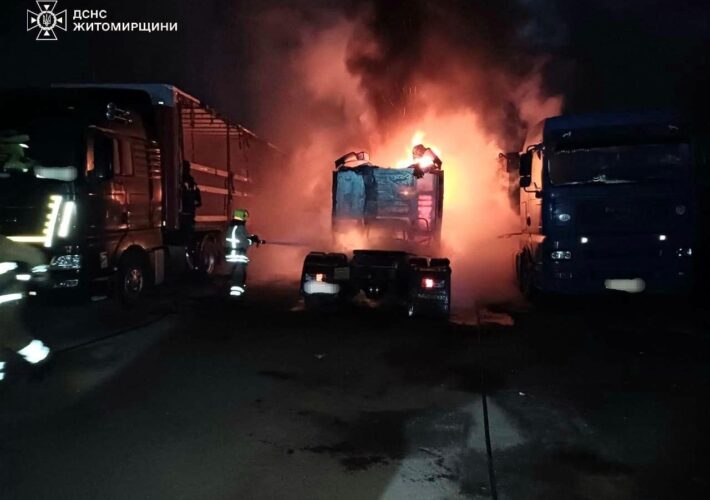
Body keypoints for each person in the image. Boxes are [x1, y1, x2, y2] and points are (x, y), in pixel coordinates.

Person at [0, 236, 51, 382]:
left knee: (10, 335)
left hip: (8, 297)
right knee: (9, 336)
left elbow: (34, 255)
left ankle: (41, 358)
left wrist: (40, 273)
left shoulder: (3, 245)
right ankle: (41, 358)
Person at [225, 209, 261, 298]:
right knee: (238, 277)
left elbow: (242, 237)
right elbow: (244, 242)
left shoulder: (234, 226)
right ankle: (235, 297)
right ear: (243, 216)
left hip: (233, 255)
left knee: (233, 276)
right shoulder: (240, 227)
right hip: (237, 256)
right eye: (246, 217)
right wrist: (251, 241)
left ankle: (231, 293)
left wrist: (252, 237)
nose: (246, 219)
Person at [180, 161, 202, 268]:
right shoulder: (192, 183)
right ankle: (194, 263)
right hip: (189, 216)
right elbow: (199, 201)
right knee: (190, 241)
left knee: (187, 241)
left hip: (182, 216)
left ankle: (191, 264)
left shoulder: (180, 181)